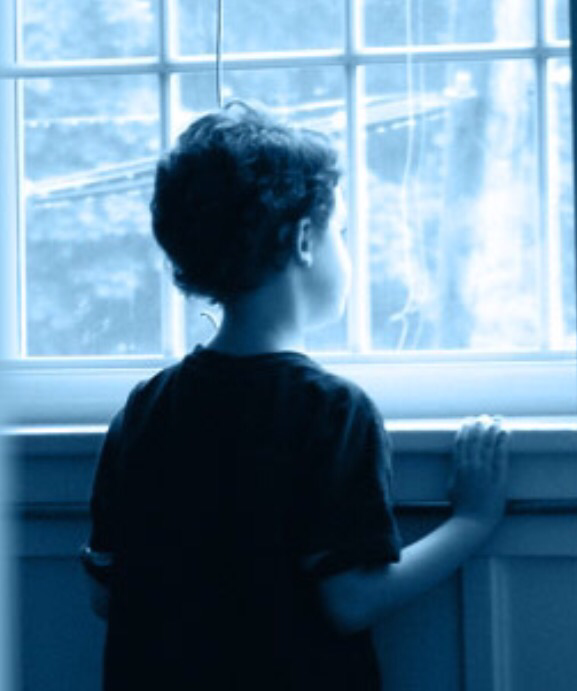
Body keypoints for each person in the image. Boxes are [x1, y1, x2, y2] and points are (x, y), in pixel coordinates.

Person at [80, 101, 509, 690]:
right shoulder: (331, 411)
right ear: (305, 240)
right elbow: (351, 600)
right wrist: (473, 521)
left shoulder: (145, 407)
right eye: (341, 233)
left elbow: (104, 594)